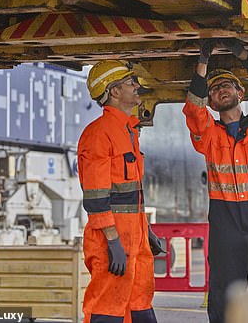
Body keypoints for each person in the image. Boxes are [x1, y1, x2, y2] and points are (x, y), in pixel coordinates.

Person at [183, 39, 248, 323]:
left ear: (241, 93)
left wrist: (243, 54)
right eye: (214, 89)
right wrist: (202, 65)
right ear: (211, 101)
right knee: (225, 293)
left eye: (226, 85)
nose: (220, 90)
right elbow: (194, 112)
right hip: (226, 219)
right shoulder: (209, 137)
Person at [78, 60, 165, 323]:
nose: (137, 86)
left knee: (139, 307)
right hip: (111, 242)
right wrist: (113, 240)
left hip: (134, 240)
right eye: (130, 82)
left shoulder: (128, 131)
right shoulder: (99, 134)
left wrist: (145, 230)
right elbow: (95, 195)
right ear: (114, 92)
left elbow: (128, 193)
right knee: (107, 308)